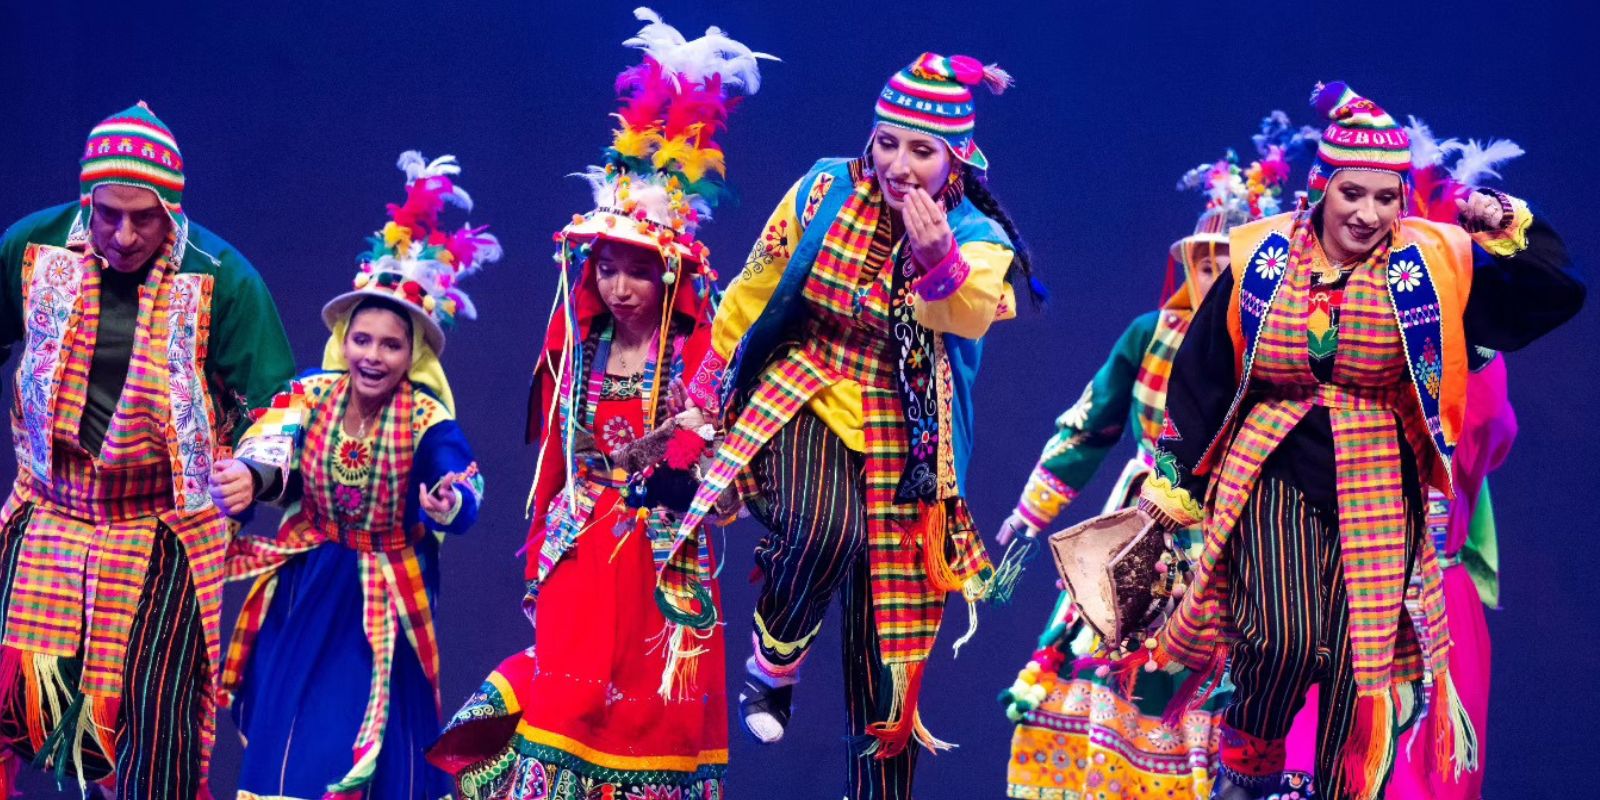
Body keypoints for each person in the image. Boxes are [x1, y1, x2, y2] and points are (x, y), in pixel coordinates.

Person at [1132, 82, 1582, 799]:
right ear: (1321, 188)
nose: (1368, 214)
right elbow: (1204, 372)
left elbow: (1548, 299)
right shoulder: (1263, 255)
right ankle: (1248, 767)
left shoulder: (1433, 266)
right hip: (1272, 468)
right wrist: (1173, 486)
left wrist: (1506, 223)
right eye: (1352, 193)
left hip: (1378, 480)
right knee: (1278, 638)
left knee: (1357, 664)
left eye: (1385, 196)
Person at [659, 52, 1039, 799]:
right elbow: (756, 286)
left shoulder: (978, 235)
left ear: (954, 157)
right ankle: (774, 661)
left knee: (889, 673)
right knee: (824, 529)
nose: (898, 163)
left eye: (921, 150)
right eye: (888, 141)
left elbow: (963, 319)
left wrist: (938, 259)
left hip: (909, 438)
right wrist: (708, 399)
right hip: (806, 389)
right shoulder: (826, 186)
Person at [426, 9, 768, 798]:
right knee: (564, 708)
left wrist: (683, 473)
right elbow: (555, 463)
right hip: (583, 555)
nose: (619, 285)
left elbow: (729, 476)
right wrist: (549, 537)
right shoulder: (575, 356)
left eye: (637, 271)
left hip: (662, 562)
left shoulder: (700, 362)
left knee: (652, 724)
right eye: (607, 268)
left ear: (670, 279)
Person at [998, 113, 1315, 799]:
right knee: (1105, 659)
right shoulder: (1151, 334)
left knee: (1222, 685)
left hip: (1242, 533)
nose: (1213, 273)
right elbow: (1089, 425)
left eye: (1227, 259)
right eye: (1203, 260)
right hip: (1146, 525)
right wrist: (1031, 511)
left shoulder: (1286, 346)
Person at [0, 102, 294, 798]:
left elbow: (283, 407)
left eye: (145, 217)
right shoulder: (33, 249)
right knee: (13, 693)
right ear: (86, 199)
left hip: (161, 526)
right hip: (50, 509)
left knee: (154, 722)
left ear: (172, 210)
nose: (125, 234)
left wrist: (254, 471)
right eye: (108, 214)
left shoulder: (222, 277)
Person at [212, 151, 494, 798]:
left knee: (365, 741)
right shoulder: (310, 396)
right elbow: (273, 447)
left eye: (391, 344)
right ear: (344, 341)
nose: (373, 355)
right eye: (362, 340)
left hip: (384, 600)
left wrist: (451, 501)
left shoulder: (424, 418)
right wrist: (253, 479)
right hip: (308, 588)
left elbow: (460, 476)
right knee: (290, 743)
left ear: (412, 353)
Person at [1281, 121, 1527, 800]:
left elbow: (1552, 296)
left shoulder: (1468, 358)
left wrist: (1503, 222)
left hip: (1421, 603)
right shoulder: (1347, 336)